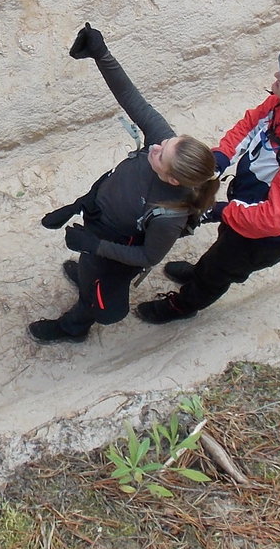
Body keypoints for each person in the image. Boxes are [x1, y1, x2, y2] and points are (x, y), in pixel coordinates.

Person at [135, 45, 280, 326]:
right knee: (224, 247)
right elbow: (250, 125)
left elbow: (274, 219)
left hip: (266, 237)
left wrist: (220, 211)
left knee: (222, 269)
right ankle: (201, 271)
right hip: (247, 205)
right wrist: (220, 157)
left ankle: (183, 305)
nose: (277, 76)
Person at [28, 26, 221, 344]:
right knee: (91, 270)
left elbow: (148, 257)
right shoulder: (164, 145)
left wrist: (96, 247)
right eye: (168, 141)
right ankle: (89, 276)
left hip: (113, 249)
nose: (156, 146)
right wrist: (101, 54)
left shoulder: (167, 215)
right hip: (99, 227)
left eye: (161, 154)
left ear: (172, 179)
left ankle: (74, 327)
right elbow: (134, 100)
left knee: (98, 289)